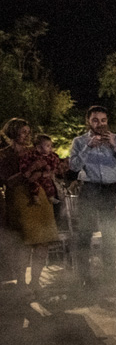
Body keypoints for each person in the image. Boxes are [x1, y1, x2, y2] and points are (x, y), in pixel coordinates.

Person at [68, 106, 116, 282]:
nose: (100, 124)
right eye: (95, 120)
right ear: (88, 121)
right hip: (89, 189)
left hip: (111, 190)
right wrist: (88, 147)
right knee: (85, 232)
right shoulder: (79, 141)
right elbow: (73, 166)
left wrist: (114, 145)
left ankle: (109, 276)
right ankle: (84, 277)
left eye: (103, 120)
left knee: (109, 233)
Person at [1, 119, 60, 289]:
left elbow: (51, 167)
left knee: (43, 241)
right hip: (20, 198)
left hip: (41, 197)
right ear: (13, 132)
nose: (27, 135)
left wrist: (46, 172)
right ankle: (21, 283)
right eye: (23, 132)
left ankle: (35, 281)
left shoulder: (36, 150)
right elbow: (7, 181)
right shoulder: (4, 154)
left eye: (29, 132)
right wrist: (29, 171)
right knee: (24, 242)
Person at [19, 134, 63, 204]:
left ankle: (51, 196)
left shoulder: (51, 157)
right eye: (48, 146)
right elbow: (25, 165)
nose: (50, 148)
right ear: (38, 148)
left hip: (45, 176)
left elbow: (55, 167)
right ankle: (35, 196)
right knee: (33, 185)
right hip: (33, 177)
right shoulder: (31, 155)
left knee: (48, 184)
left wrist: (48, 168)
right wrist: (30, 169)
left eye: (51, 146)